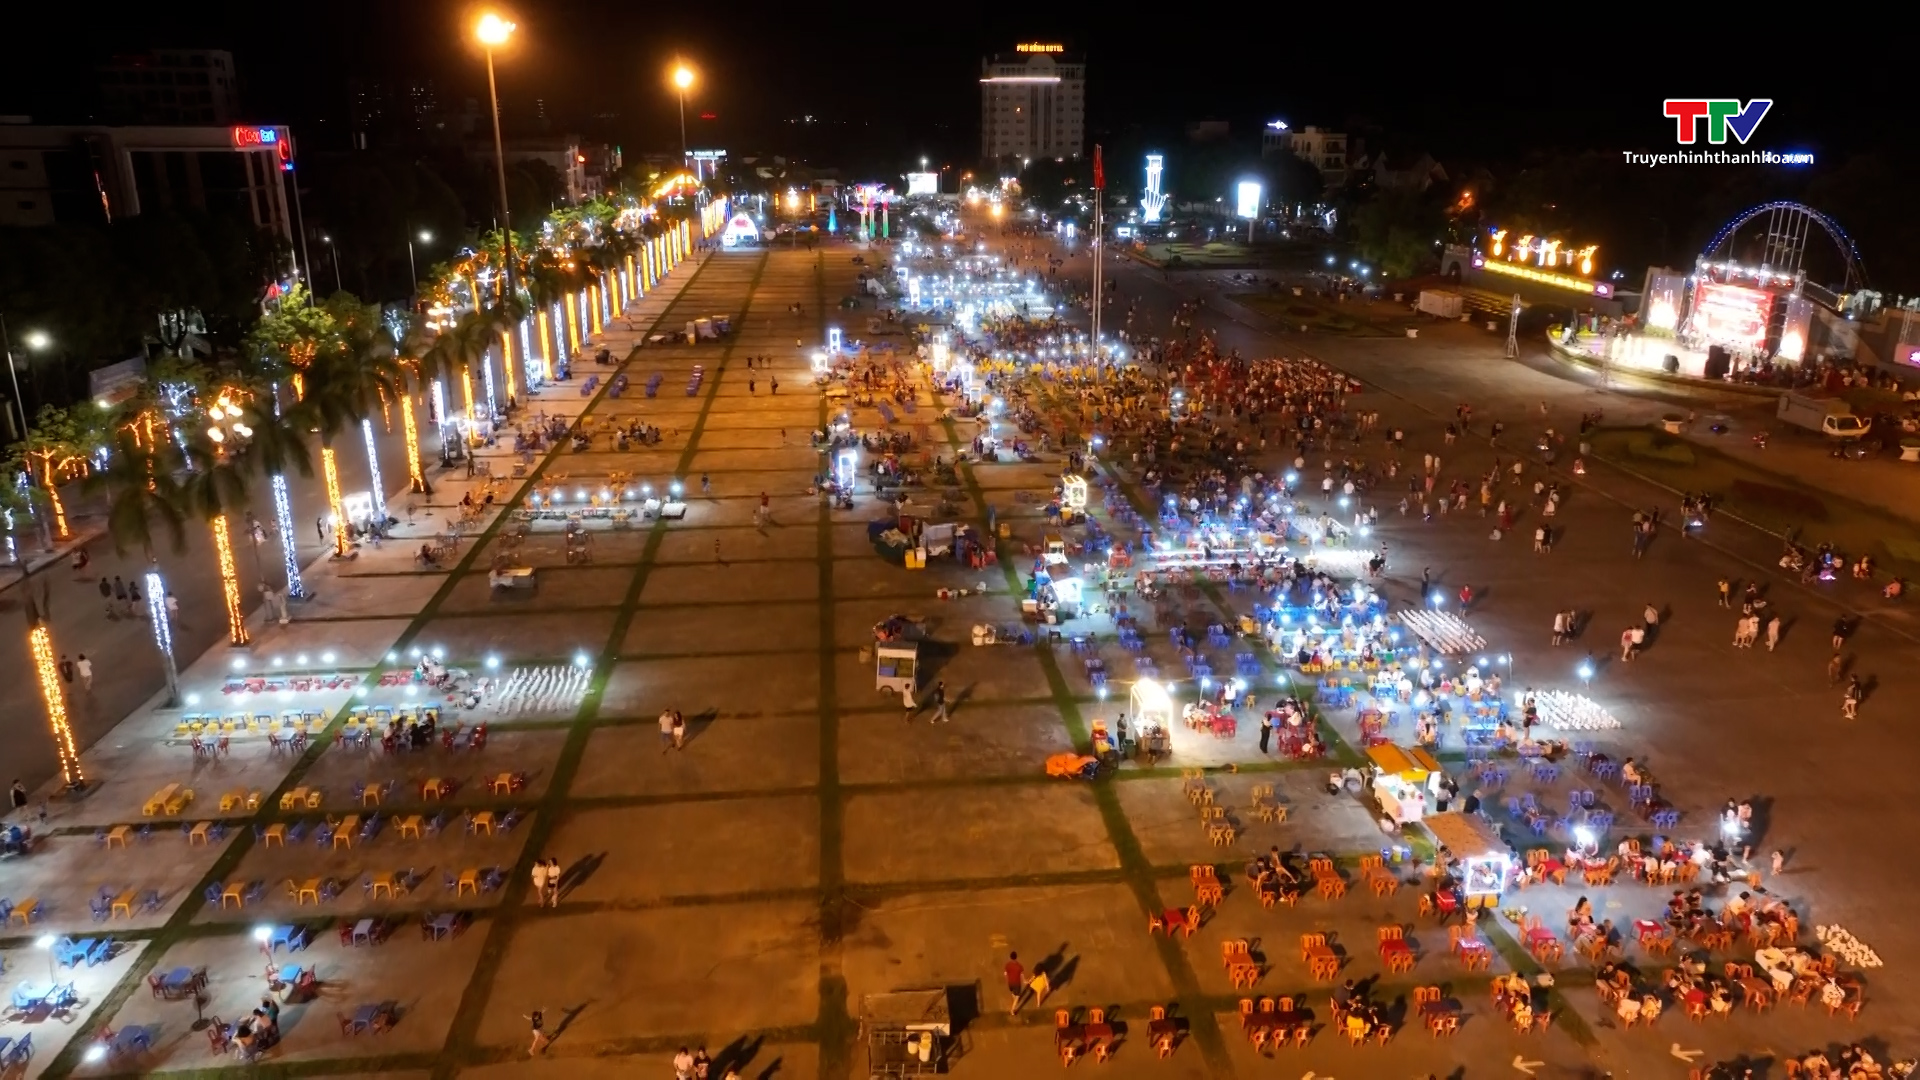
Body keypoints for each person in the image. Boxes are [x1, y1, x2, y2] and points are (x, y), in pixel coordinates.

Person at [1004, 951, 1025, 1016]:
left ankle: (1014, 1001)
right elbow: (1021, 975)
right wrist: (1024, 981)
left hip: (1010, 983)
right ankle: (1012, 1010)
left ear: (1010, 957)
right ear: (1016, 957)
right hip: (1017, 983)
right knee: (1018, 996)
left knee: (1013, 993)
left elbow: (1005, 973)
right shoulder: (1019, 966)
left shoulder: (1007, 965)